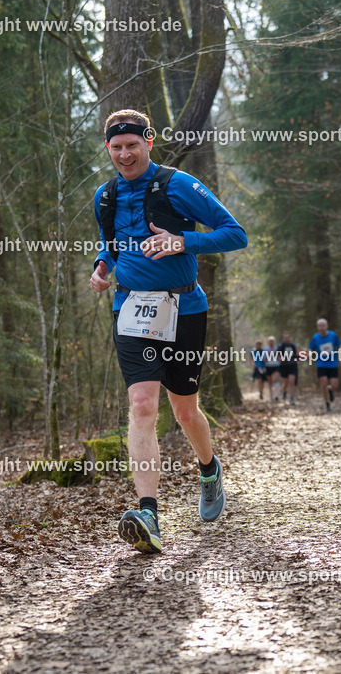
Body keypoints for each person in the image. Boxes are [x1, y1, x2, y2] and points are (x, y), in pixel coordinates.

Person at [89, 109, 248, 554]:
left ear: (148, 143)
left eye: (132, 146)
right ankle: (148, 514)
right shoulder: (104, 196)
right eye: (116, 147)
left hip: (184, 308)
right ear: (108, 148)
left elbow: (236, 234)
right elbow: (112, 243)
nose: (125, 154)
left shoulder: (177, 184)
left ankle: (209, 468)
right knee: (142, 403)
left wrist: (184, 241)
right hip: (132, 310)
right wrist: (103, 266)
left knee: (185, 411)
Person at [308, 318, 340, 412]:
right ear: (318, 327)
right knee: (323, 382)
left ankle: (330, 390)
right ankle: (327, 403)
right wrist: (310, 355)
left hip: (333, 363)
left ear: (327, 326)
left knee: (334, 384)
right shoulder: (315, 338)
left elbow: (339, 346)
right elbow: (311, 348)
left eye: (323, 325)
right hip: (321, 363)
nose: (322, 327)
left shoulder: (333, 335)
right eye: (320, 326)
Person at [276, 332, 299, 405]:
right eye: (285, 337)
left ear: (289, 338)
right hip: (284, 366)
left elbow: (298, 354)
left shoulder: (293, 346)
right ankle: (284, 391)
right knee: (285, 382)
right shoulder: (280, 346)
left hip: (292, 365)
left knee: (292, 381)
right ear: (283, 338)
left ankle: (292, 398)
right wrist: (281, 359)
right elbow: (277, 356)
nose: (286, 339)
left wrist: (299, 360)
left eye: (287, 337)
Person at [262, 335, 281, 401]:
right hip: (268, 366)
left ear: (274, 342)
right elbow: (263, 358)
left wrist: (281, 359)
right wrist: (269, 355)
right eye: (270, 341)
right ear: (268, 342)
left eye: (272, 341)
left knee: (275, 379)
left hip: (276, 366)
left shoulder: (277, 349)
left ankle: (276, 394)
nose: (271, 342)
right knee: (270, 382)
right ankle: (271, 395)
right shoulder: (265, 349)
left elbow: (279, 357)